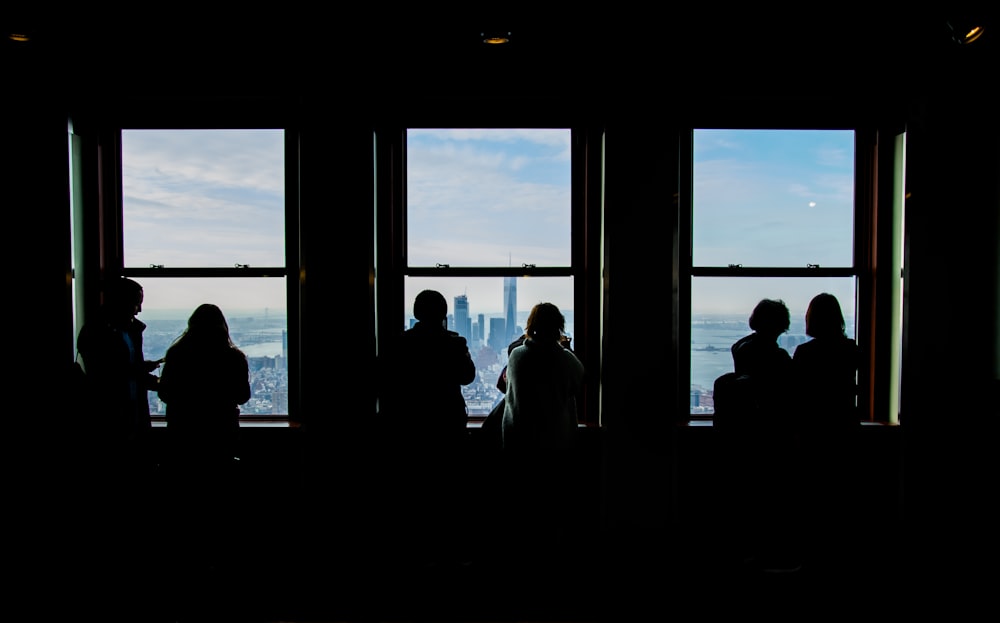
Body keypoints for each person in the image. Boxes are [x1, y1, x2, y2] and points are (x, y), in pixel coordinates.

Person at [376, 289, 477, 566]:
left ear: (416, 313)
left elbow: (381, 381)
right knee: (446, 500)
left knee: (411, 501)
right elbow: (467, 377)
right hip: (446, 431)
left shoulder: (398, 343)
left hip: (407, 434)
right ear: (444, 314)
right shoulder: (454, 343)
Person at [156, 303, 251, 571]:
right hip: (220, 435)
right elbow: (242, 396)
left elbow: (166, 394)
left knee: (185, 501)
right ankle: (219, 558)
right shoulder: (233, 358)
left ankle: (186, 559)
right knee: (219, 500)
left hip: (183, 435)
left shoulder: (177, 355)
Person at [713, 298, 800, 573]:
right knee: (770, 501)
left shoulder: (740, 347)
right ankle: (768, 556)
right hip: (769, 436)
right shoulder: (778, 358)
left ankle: (744, 555)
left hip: (739, 434)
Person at [500, 302, 585, 565]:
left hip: (520, 443)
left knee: (523, 506)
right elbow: (579, 383)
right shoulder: (566, 359)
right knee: (554, 506)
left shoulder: (517, 356)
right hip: (556, 443)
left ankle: (523, 557)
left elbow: (506, 386)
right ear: (559, 326)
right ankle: (553, 558)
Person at [792, 292, 861, 571]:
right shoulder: (851, 349)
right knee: (841, 499)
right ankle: (839, 558)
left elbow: (795, 395)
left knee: (812, 499)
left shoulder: (805, 353)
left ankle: (811, 559)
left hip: (812, 431)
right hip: (844, 429)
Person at [76, 277, 161, 471]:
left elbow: (115, 369)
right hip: (111, 415)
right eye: (136, 303)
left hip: (121, 414)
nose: (139, 309)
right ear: (120, 301)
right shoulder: (102, 332)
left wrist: (139, 371)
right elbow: (107, 373)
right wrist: (143, 373)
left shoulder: (113, 331)